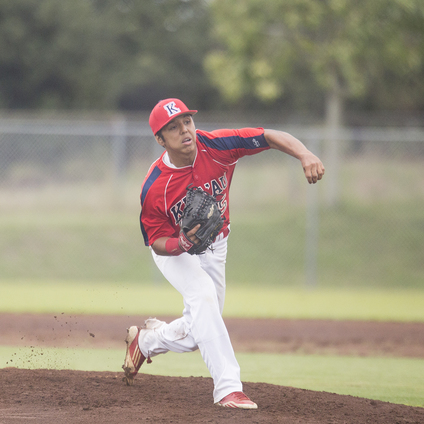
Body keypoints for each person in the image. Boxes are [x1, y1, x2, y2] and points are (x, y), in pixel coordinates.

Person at [123, 98, 325, 409]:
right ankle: (229, 389)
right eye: (173, 128)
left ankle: (146, 341)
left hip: (216, 245)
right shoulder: (155, 186)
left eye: (187, 121)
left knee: (198, 330)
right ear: (160, 139)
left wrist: (304, 153)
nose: (185, 130)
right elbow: (155, 239)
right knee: (203, 297)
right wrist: (182, 245)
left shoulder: (217, 146)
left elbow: (268, 136)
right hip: (175, 252)